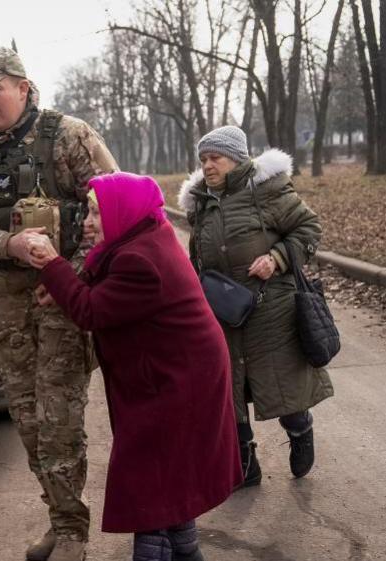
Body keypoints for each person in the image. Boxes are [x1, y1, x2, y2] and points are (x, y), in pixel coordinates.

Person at [0, 46, 119, 561]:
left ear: (23, 86)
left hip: (64, 303)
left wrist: (72, 276)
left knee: (59, 419)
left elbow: (114, 206)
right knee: (28, 422)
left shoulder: (69, 135)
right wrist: (7, 244)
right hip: (10, 305)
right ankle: (61, 516)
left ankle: (72, 536)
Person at [28, 172, 241, 561]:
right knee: (168, 476)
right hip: (173, 372)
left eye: (96, 212)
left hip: (178, 380)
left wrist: (52, 264)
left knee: (149, 480)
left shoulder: (138, 260)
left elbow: (90, 309)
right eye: (88, 211)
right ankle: (187, 553)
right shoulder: (144, 235)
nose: (87, 223)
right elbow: (100, 285)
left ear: (121, 211)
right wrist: (61, 284)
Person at [176, 125, 334, 486]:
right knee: (228, 391)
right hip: (224, 312)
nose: (208, 166)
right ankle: (245, 462)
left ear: (236, 158)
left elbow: (309, 228)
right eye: (203, 159)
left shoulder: (268, 190)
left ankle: (300, 430)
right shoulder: (201, 203)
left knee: (283, 386)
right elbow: (198, 255)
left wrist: (277, 258)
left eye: (215, 158)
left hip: (271, 310)